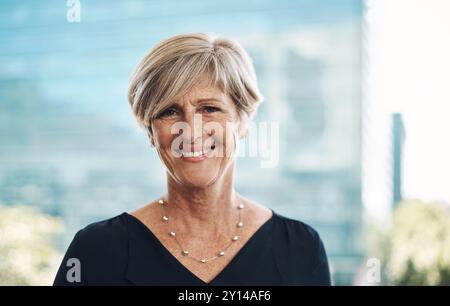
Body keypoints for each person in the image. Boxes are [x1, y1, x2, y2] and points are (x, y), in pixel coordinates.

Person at [53, 33, 331, 286]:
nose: (191, 130)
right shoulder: (96, 250)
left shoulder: (300, 248)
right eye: (169, 112)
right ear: (151, 131)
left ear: (243, 122)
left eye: (210, 108)